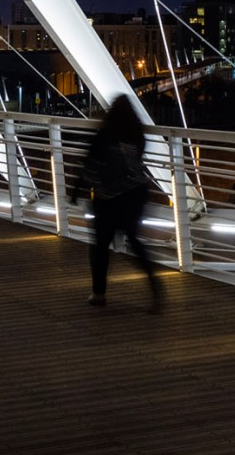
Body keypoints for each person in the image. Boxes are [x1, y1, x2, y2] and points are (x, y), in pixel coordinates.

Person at [68, 96, 164, 312]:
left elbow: (89, 163)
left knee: (101, 246)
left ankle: (99, 293)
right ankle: (155, 287)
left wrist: (76, 191)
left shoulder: (105, 133)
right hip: (135, 194)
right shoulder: (138, 135)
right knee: (134, 240)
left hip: (107, 197)